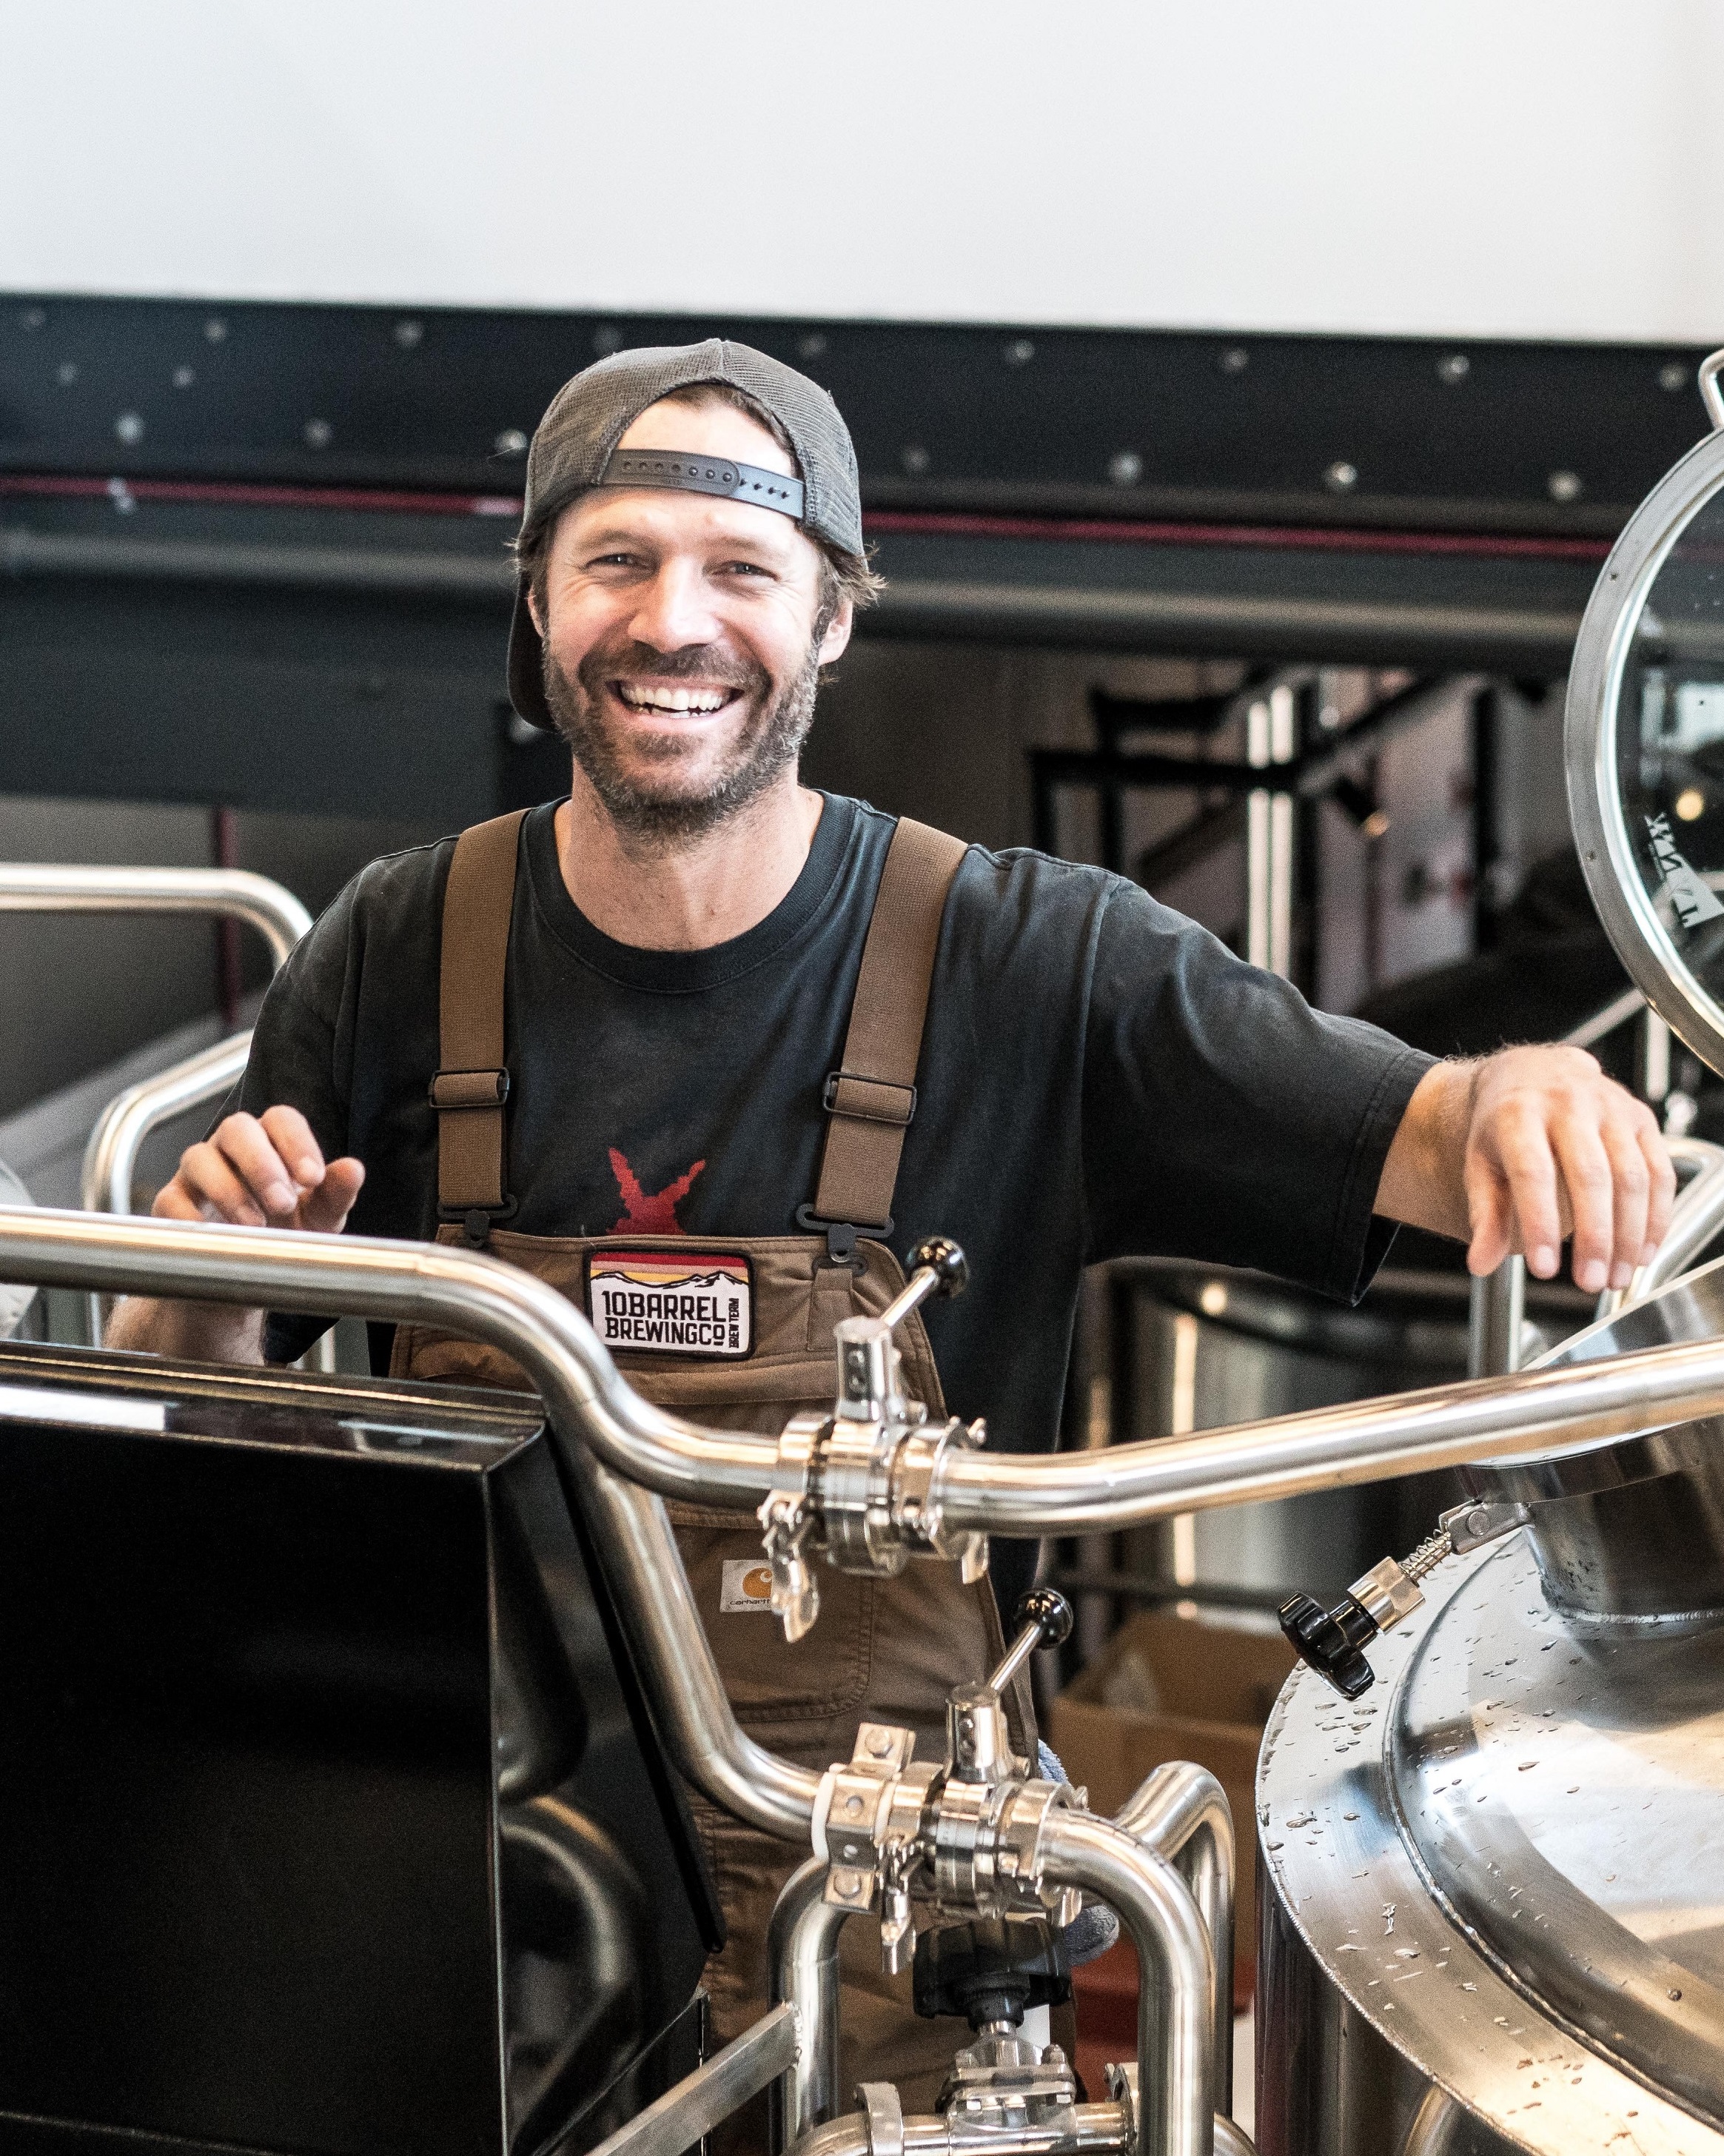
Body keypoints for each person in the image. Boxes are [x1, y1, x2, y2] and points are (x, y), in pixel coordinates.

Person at [109, 340, 1674, 2105]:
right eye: (615, 560)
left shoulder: (1034, 961)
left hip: (895, 1933)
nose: (671, 624)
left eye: (740, 570)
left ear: (834, 616)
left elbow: (1422, 1130)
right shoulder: (396, 951)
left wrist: (1526, 1088)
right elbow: (204, 1432)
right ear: (538, 601)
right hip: (487, 1911)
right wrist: (209, 1299)